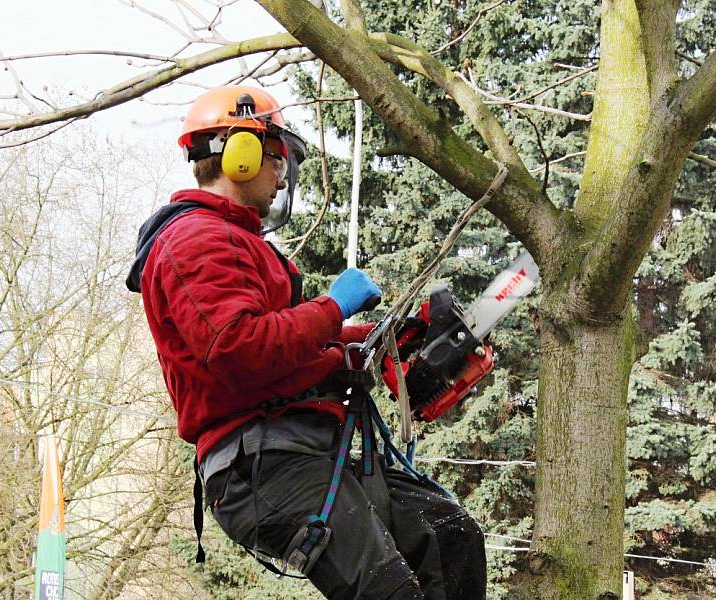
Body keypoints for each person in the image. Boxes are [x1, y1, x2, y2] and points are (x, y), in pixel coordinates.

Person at [126, 85, 486, 600]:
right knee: (387, 590)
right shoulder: (195, 240)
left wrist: (373, 341)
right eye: (277, 159)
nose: (281, 177)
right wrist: (333, 306)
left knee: (451, 538)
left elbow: (288, 341)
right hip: (262, 462)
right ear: (240, 155)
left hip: (307, 448)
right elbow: (240, 346)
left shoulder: (236, 242)